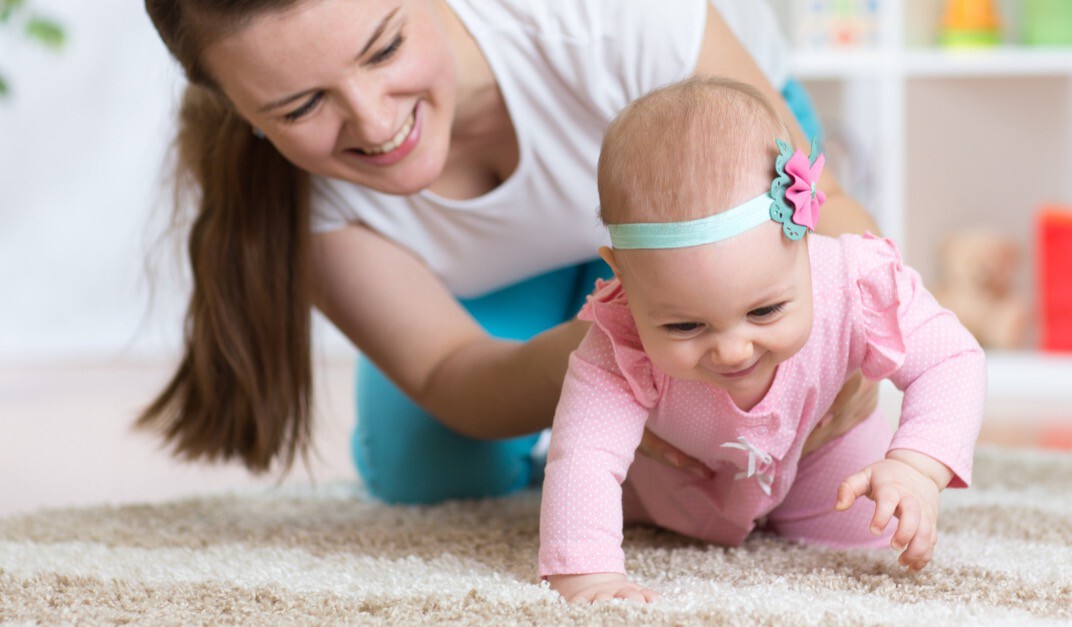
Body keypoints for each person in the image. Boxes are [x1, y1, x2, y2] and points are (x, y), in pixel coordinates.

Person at [138, 0, 882, 506]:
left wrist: (841, 341)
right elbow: (447, 369)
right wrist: (607, 371)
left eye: (386, 48)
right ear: (240, 111)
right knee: (430, 472)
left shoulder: (605, 21)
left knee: (787, 448)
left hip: (702, 219)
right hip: (513, 285)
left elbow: (835, 212)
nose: (375, 120)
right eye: (300, 107)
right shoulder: (292, 195)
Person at [538, 77, 987, 603]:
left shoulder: (854, 281)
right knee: (597, 503)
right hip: (677, 483)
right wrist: (589, 575)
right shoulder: (621, 339)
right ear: (623, 277)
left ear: (804, 241)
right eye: (685, 326)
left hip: (825, 454)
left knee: (882, 536)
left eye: (765, 310)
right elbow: (585, 451)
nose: (733, 350)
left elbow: (952, 359)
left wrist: (915, 468)